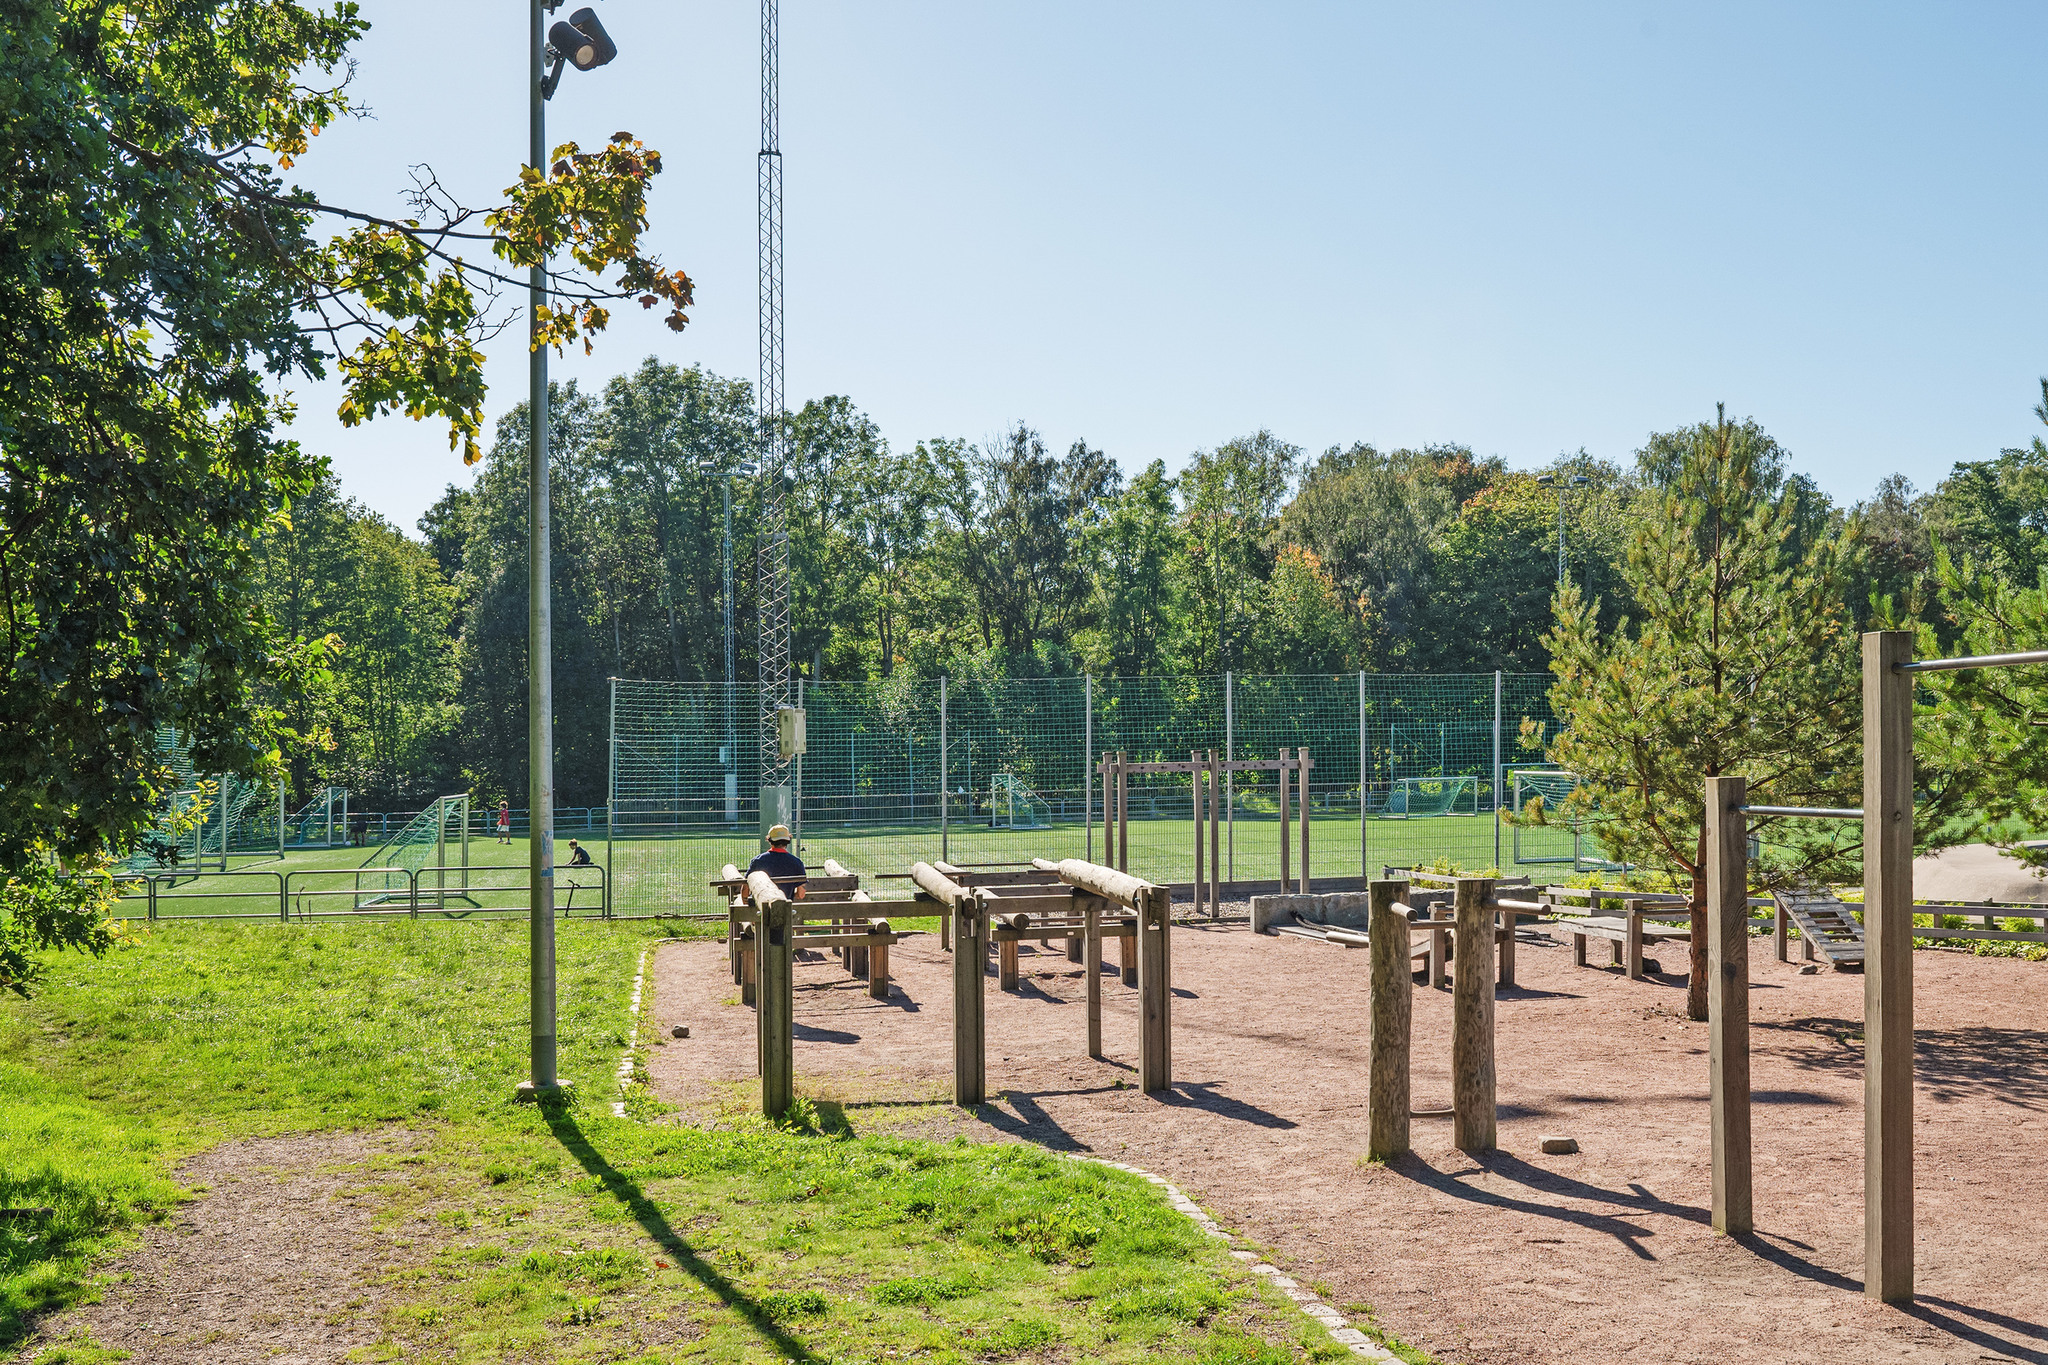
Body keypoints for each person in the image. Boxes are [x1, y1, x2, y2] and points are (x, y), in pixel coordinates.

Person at [747, 823, 807, 898]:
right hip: (786, 906)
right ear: (788, 840)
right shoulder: (797, 862)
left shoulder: (758, 860)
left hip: (761, 905)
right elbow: (801, 895)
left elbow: (745, 887)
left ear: (769, 840)